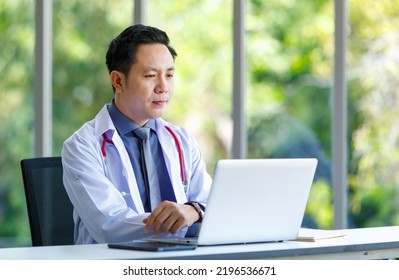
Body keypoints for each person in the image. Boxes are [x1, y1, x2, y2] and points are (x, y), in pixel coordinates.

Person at [62, 24, 212, 244]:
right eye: (151, 75)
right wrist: (186, 220)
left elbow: (211, 204)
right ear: (118, 81)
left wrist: (193, 211)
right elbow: (110, 226)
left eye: (169, 75)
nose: (163, 87)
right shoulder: (82, 146)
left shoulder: (181, 140)